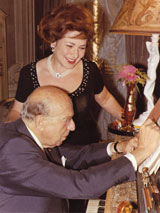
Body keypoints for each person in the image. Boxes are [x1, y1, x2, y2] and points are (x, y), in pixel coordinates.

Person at [0, 85, 160, 213]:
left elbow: (74, 155)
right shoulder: (14, 149)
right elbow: (81, 185)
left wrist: (118, 146)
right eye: (67, 120)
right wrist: (141, 153)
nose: (72, 126)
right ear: (41, 121)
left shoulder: (27, 134)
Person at [7, 3, 123, 147]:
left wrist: (130, 123)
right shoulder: (29, 73)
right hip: (46, 154)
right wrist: (8, 134)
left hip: (86, 152)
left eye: (81, 47)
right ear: (53, 41)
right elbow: (17, 111)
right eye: (69, 46)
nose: (75, 54)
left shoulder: (90, 70)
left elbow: (105, 99)